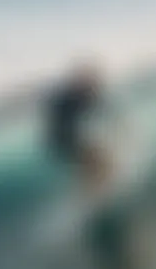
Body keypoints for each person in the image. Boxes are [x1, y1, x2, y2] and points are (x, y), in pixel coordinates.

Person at [45, 62, 115, 197]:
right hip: (64, 139)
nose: (96, 86)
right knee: (98, 163)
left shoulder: (79, 95)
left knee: (98, 164)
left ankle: (93, 194)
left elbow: (102, 109)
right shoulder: (71, 96)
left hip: (65, 139)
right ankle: (96, 195)